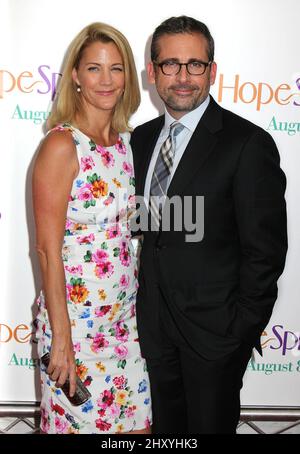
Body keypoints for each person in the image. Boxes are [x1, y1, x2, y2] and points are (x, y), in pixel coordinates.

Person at [130, 16, 287, 434]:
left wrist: (236, 334)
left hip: (214, 339)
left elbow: (266, 252)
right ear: (152, 72)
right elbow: (145, 232)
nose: (183, 77)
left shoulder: (247, 144)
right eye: (171, 65)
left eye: (195, 65)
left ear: (212, 71)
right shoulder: (138, 141)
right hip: (150, 332)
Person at [32, 22, 151, 435]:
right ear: (77, 77)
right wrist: (61, 338)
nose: (106, 80)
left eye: (116, 69)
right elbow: (46, 250)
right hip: (76, 329)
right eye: (95, 68)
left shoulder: (124, 144)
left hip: (124, 323)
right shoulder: (62, 145)